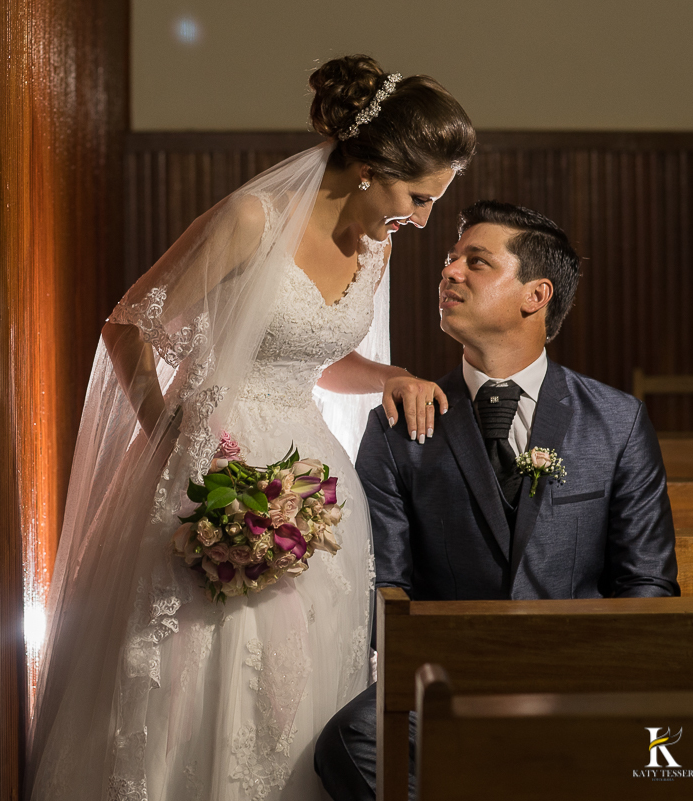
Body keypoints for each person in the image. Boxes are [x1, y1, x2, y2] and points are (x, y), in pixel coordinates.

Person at [26, 55, 475, 801]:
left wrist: (388, 376)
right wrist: (178, 440)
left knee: (294, 686)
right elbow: (130, 327)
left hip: (312, 480)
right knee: (205, 673)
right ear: (368, 166)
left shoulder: (376, 244)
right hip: (215, 469)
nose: (424, 219)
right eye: (418, 196)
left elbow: (316, 356)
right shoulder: (250, 222)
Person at [314, 200, 680, 800]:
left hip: (582, 672)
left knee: (667, 751)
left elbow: (648, 583)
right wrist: (436, 669)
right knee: (348, 741)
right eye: (451, 258)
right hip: (446, 675)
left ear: (535, 296)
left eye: (475, 262)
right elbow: (384, 581)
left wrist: (595, 673)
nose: (449, 271)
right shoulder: (396, 425)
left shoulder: (615, 419)